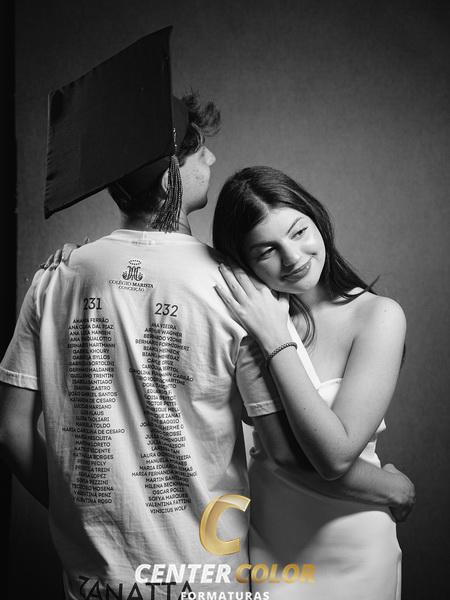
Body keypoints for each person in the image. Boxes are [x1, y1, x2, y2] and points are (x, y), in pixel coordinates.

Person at [2, 28, 414, 600]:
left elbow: (10, 431)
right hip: (207, 574)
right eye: (198, 150)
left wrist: (83, 516)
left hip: (90, 579)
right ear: (171, 176)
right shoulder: (234, 289)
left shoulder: (54, 278)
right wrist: (391, 488)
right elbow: (285, 452)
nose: (212, 157)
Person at [212, 165, 412, 599]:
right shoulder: (247, 321)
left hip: (355, 539)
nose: (293, 258)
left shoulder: (378, 316)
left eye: (299, 231)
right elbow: (284, 455)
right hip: (272, 539)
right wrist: (74, 262)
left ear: (316, 219)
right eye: (267, 250)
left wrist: (276, 338)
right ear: (243, 261)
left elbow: (334, 456)